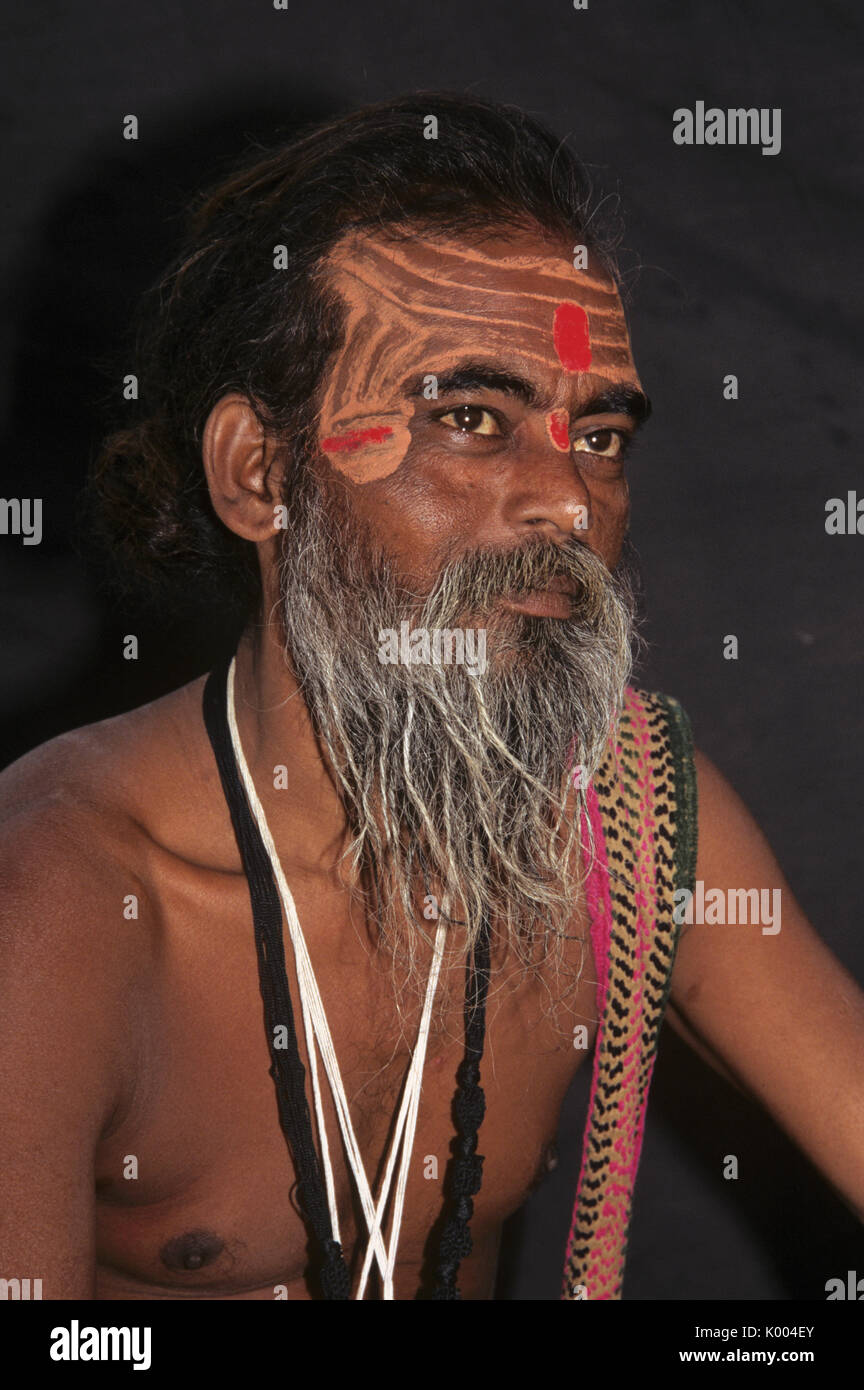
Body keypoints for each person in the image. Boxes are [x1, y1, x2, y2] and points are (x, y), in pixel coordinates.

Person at [1, 92, 862, 1302]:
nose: (568, 503)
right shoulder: (60, 900)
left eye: (600, 437)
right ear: (261, 474)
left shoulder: (628, 814)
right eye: (471, 419)